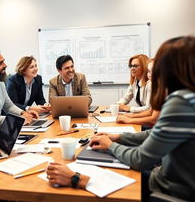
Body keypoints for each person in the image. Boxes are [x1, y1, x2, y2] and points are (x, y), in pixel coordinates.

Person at [47, 36, 195, 201]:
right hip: (169, 179)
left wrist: (110, 145)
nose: (154, 72)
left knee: (102, 171)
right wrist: (119, 137)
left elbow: (140, 159)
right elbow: (154, 134)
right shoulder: (188, 99)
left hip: (167, 190)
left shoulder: (181, 104)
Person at [116, 59, 160, 126]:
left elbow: (153, 119)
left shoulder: (153, 86)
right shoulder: (135, 81)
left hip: (156, 128)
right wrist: (128, 115)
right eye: (149, 71)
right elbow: (150, 111)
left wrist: (129, 118)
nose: (132, 68)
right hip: (150, 123)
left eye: (135, 66)